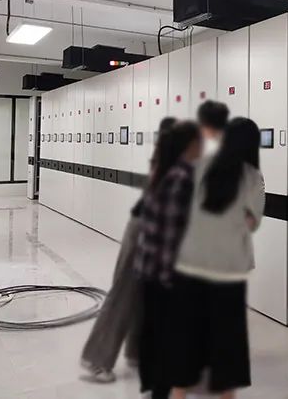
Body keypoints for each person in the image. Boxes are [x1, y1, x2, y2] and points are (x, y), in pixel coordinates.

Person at [163, 118, 265, 399]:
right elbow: (251, 222)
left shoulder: (199, 166)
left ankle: (179, 393)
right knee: (228, 338)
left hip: (191, 263)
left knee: (189, 333)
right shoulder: (252, 176)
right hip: (228, 268)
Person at [79, 116, 177, 383]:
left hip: (145, 230)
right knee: (123, 292)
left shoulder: (164, 164)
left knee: (142, 294)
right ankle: (97, 360)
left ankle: (136, 351)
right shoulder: (173, 170)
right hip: (143, 233)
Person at [135, 121, 203, 398]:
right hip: (167, 275)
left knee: (156, 336)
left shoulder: (163, 173)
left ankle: (156, 387)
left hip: (149, 271)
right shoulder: (183, 178)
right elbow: (175, 237)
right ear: (190, 145)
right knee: (171, 342)